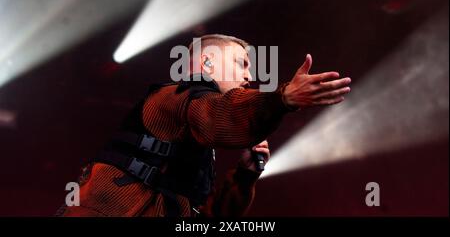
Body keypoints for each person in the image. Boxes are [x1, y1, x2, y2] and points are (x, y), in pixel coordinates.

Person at [59, 34, 351, 217]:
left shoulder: (194, 145)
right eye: (242, 64)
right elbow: (219, 115)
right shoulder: (174, 98)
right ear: (208, 63)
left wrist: (244, 177)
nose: (249, 75)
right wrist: (282, 97)